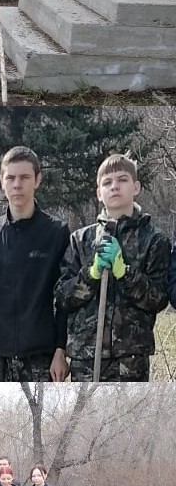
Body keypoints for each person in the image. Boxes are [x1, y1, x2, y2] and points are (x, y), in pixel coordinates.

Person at [55, 154, 170, 382]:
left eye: (122, 180)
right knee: (85, 418)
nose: (114, 187)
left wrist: (124, 272)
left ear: (136, 187)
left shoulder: (154, 240)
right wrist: (91, 273)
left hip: (131, 357)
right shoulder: (80, 240)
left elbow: (158, 300)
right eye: (107, 182)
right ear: (98, 192)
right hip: (86, 356)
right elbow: (62, 297)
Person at [0, 146, 70, 382]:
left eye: (24, 177)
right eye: (11, 177)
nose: (17, 184)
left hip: (41, 355)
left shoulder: (56, 233)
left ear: (37, 179)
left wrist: (61, 349)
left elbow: (65, 300)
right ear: (2, 181)